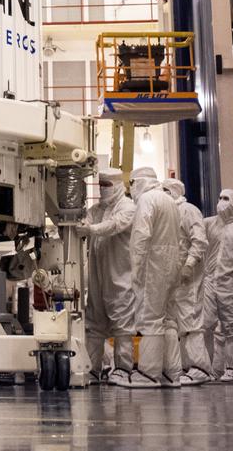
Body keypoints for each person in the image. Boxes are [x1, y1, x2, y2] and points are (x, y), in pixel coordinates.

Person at [81, 164, 140, 386]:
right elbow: (85, 221)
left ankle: (123, 370)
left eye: (107, 185)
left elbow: (115, 225)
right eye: (100, 185)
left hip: (120, 276)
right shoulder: (96, 209)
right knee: (94, 324)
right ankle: (92, 369)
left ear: (117, 186)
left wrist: (91, 230)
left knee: (122, 325)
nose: (103, 189)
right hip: (97, 276)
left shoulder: (128, 207)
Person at [127, 165, 182, 387]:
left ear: (138, 182)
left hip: (154, 265)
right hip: (172, 264)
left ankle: (149, 373)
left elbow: (141, 237)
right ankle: (172, 372)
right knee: (168, 320)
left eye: (131, 185)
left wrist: (136, 270)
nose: (130, 191)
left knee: (149, 319)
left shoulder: (147, 200)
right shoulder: (169, 200)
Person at [202, 188, 233, 382]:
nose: (222, 201)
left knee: (232, 328)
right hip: (210, 280)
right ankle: (204, 367)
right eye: (220, 197)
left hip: (231, 282)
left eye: (226, 198)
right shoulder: (209, 224)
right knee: (205, 325)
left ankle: (231, 368)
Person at [165, 178, 210, 385]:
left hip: (189, 277)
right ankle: (187, 366)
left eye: (166, 190)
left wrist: (189, 265)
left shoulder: (188, 210)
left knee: (191, 321)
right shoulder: (168, 212)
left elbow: (199, 240)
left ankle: (200, 367)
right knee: (181, 323)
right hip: (174, 279)